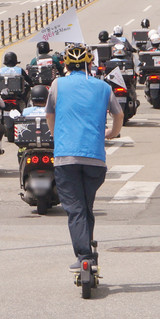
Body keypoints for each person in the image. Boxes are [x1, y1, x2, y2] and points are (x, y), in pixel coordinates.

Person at [45, 45, 123, 271]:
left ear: (66, 66)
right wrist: (112, 133)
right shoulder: (104, 87)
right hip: (95, 159)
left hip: (66, 157)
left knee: (75, 208)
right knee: (86, 206)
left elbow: (50, 115)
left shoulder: (58, 85)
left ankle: (84, 255)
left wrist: (56, 135)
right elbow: (119, 114)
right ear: (90, 65)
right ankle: (88, 247)